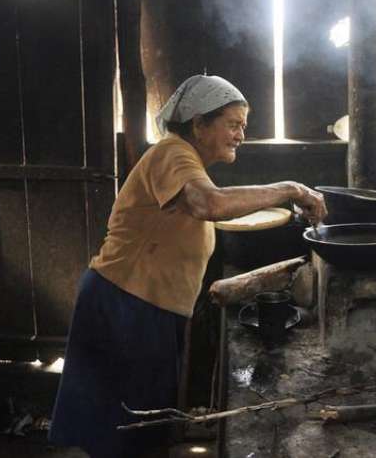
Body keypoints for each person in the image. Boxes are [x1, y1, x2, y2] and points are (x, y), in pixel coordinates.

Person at [48, 75, 327, 458]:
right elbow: (208, 204)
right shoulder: (172, 153)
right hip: (125, 303)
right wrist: (293, 188)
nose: (241, 135)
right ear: (199, 124)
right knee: (129, 430)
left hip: (143, 306)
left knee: (136, 427)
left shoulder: (187, 161)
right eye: (233, 124)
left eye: (243, 126)